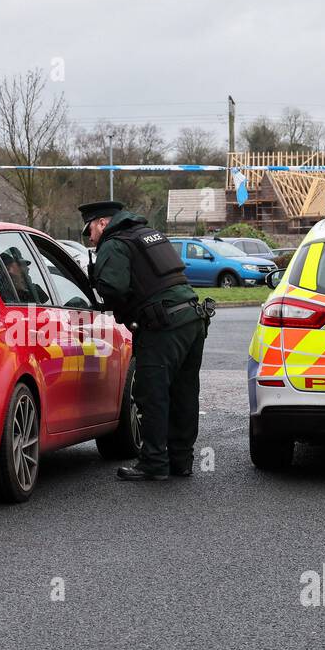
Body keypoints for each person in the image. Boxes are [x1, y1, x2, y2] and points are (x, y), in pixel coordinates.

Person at [81, 200, 208, 481]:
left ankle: (153, 462)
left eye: (89, 229)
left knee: (152, 395)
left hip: (163, 327)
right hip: (193, 320)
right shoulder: (148, 235)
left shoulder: (114, 243)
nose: (89, 237)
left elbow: (113, 288)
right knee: (184, 394)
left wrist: (103, 293)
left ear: (103, 223)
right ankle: (181, 460)